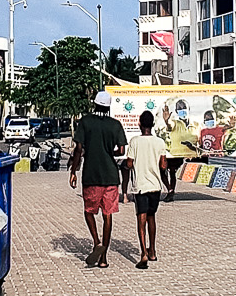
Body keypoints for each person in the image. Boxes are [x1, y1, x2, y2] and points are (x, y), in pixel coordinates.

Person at [67, 94, 130, 268]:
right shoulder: (115, 125)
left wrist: (74, 171)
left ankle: (96, 242)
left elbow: (79, 149)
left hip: (91, 174)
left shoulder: (85, 122)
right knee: (107, 214)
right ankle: (104, 258)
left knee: (89, 211)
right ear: (108, 107)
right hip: (111, 175)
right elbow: (121, 149)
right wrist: (110, 153)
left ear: (94, 104)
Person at [125, 108, 169, 269]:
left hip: (141, 187)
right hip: (155, 186)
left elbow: (129, 164)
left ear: (139, 124)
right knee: (152, 218)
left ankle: (143, 253)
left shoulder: (135, 141)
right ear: (152, 124)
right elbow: (163, 165)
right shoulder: (160, 142)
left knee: (141, 220)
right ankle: (153, 251)